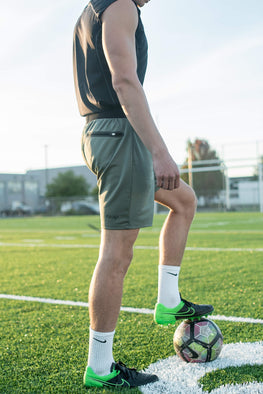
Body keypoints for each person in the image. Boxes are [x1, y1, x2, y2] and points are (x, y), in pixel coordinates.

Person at [73, 0, 214, 389]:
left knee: (184, 201)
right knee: (116, 254)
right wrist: (159, 150)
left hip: (108, 133)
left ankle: (169, 301)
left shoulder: (94, 9)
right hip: (118, 135)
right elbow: (124, 81)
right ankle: (100, 366)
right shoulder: (118, 5)